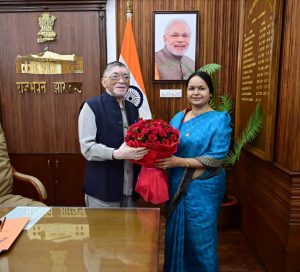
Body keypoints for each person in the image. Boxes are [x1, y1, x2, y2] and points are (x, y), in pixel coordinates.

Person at [155, 71, 232, 271]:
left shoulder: (219, 119)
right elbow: (167, 145)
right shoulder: (179, 116)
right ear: (186, 92)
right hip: (176, 183)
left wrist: (179, 162)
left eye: (201, 88)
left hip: (203, 187)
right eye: (191, 88)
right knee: (175, 234)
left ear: (210, 93)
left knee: (200, 239)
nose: (196, 92)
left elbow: (216, 157)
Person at [78, 61, 148, 208]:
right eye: (115, 76)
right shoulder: (91, 107)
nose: (122, 81)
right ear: (104, 82)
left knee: (130, 232)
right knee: (104, 232)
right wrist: (116, 153)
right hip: (102, 189)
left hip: (130, 188)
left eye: (126, 77)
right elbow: (88, 148)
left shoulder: (133, 108)